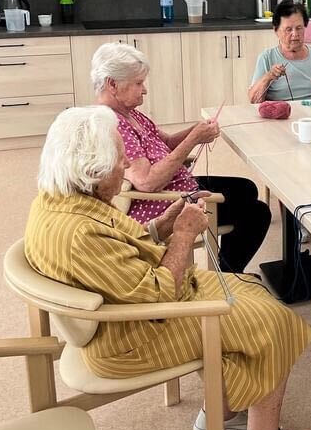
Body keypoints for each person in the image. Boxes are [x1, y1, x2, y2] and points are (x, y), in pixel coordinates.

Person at [25, 106, 311, 430]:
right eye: (119, 161)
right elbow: (158, 294)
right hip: (129, 340)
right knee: (272, 321)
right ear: (92, 172)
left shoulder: (59, 202)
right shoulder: (81, 234)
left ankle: (220, 415)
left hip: (125, 314)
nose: (125, 166)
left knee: (249, 287)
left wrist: (162, 225)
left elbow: (117, 255)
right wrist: (183, 236)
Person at [92, 42, 270, 275]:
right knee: (258, 213)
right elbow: (147, 182)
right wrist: (193, 139)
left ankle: (227, 266)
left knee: (247, 188)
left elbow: (165, 143)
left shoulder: (129, 113)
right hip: (163, 204)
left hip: (178, 185)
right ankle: (227, 274)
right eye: (138, 83)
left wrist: (196, 130)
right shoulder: (115, 125)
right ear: (112, 84)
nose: (144, 90)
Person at [248, 1, 311, 103]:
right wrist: (268, 77)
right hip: (282, 111)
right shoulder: (267, 58)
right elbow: (254, 101)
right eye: (288, 29)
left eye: (299, 28)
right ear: (276, 30)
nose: (295, 34)